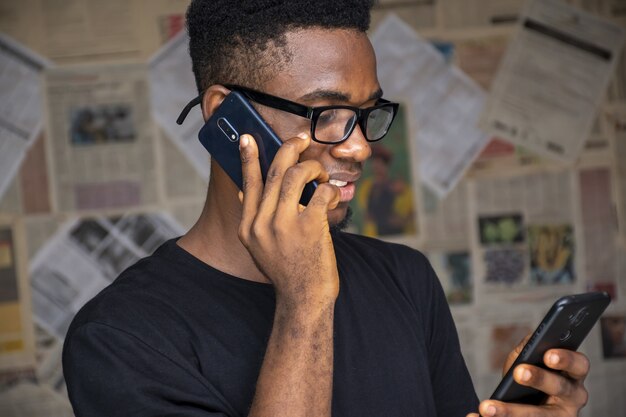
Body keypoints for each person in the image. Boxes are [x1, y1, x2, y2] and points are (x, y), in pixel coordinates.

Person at [62, 1, 591, 416]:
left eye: (366, 114)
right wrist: (305, 299)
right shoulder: (119, 337)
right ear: (227, 117)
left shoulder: (407, 280)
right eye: (326, 113)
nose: (359, 146)